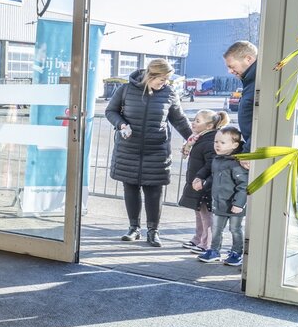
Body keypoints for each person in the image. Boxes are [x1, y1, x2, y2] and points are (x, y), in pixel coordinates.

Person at [105, 58, 192, 247]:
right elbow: (111, 111)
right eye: (162, 79)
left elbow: (179, 120)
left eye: (167, 80)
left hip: (156, 150)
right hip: (128, 148)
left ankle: (153, 231)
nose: (165, 83)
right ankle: (134, 228)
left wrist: (192, 138)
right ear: (150, 76)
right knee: (130, 187)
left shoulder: (169, 93)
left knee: (154, 190)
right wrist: (121, 124)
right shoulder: (126, 90)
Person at [193, 126, 249, 266]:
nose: (217, 145)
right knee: (216, 228)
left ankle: (237, 253)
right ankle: (214, 251)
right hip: (219, 203)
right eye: (216, 141)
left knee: (235, 229)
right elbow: (214, 178)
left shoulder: (236, 163)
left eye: (222, 142)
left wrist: (239, 204)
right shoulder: (217, 160)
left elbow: (243, 185)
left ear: (235, 145)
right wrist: (203, 184)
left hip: (234, 206)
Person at [178, 109, 230, 254]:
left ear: (208, 126)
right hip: (196, 181)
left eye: (197, 121)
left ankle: (206, 243)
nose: (193, 123)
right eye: (194, 119)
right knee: (199, 211)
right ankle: (198, 238)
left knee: (206, 214)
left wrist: (202, 178)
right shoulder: (198, 138)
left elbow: (211, 164)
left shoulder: (208, 141)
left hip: (204, 183)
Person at [224, 40, 258, 148]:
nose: (229, 71)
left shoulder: (259, 84)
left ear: (248, 59)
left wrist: (248, 151)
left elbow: (264, 123)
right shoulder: (250, 82)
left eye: (231, 66)